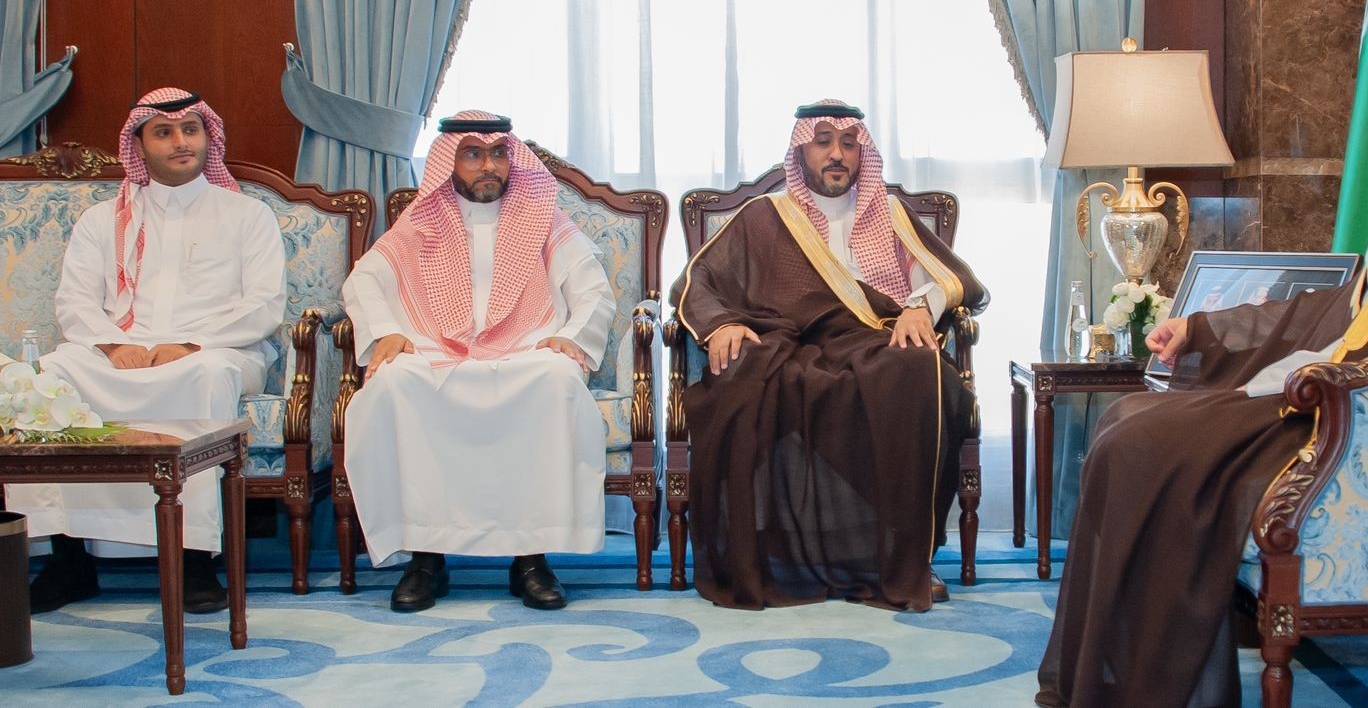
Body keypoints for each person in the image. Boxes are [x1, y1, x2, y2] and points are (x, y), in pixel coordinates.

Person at [1035, 21, 1368, 708]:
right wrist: (1202, 327)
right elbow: (1354, 307)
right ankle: (1124, 668)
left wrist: (1310, 380)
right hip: (1359, 393)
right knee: (1131, 423)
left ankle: (1143, 679)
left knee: (1143, 438)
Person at [669, 100, 988, 612]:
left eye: (848, 144)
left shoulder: (891, 214)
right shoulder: (764, 215)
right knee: (749, 379)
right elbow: (696, 281)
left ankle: (909, 559)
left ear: (863, 153)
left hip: (874, 340)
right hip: (787, 342)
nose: (837, 154)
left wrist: (918, 308)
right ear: (801, 152)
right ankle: (768, 560)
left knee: (923, 371)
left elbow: (948, 280)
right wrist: (722, 324)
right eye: (823, 143)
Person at [11, 88, 287, 615]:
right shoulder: (101, 221)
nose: (181, 142)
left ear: (208, 137)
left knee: (206, 376)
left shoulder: (247, 215)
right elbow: (73, 301)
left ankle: (193, 559)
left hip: (217, 350)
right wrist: (114, 345)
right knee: (55, 372)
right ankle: (69, 561)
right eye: (163, 132)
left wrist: (191, 345)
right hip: (119, 351)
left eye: (190, 130)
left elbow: (264, 306)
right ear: (138, 145)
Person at [341, 111, 616, 613]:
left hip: (523, 350)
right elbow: (364, 279)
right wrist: (385, 332)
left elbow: (594, 288)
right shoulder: (420, 220)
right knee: (394, 383)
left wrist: (570, 336)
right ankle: (426, 558)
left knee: (557, 378)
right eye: (473, 154)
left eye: (498, 154)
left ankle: (531, 559)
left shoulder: (542, 216)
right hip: (437, 350)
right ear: (450, 161)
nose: (488, 165)